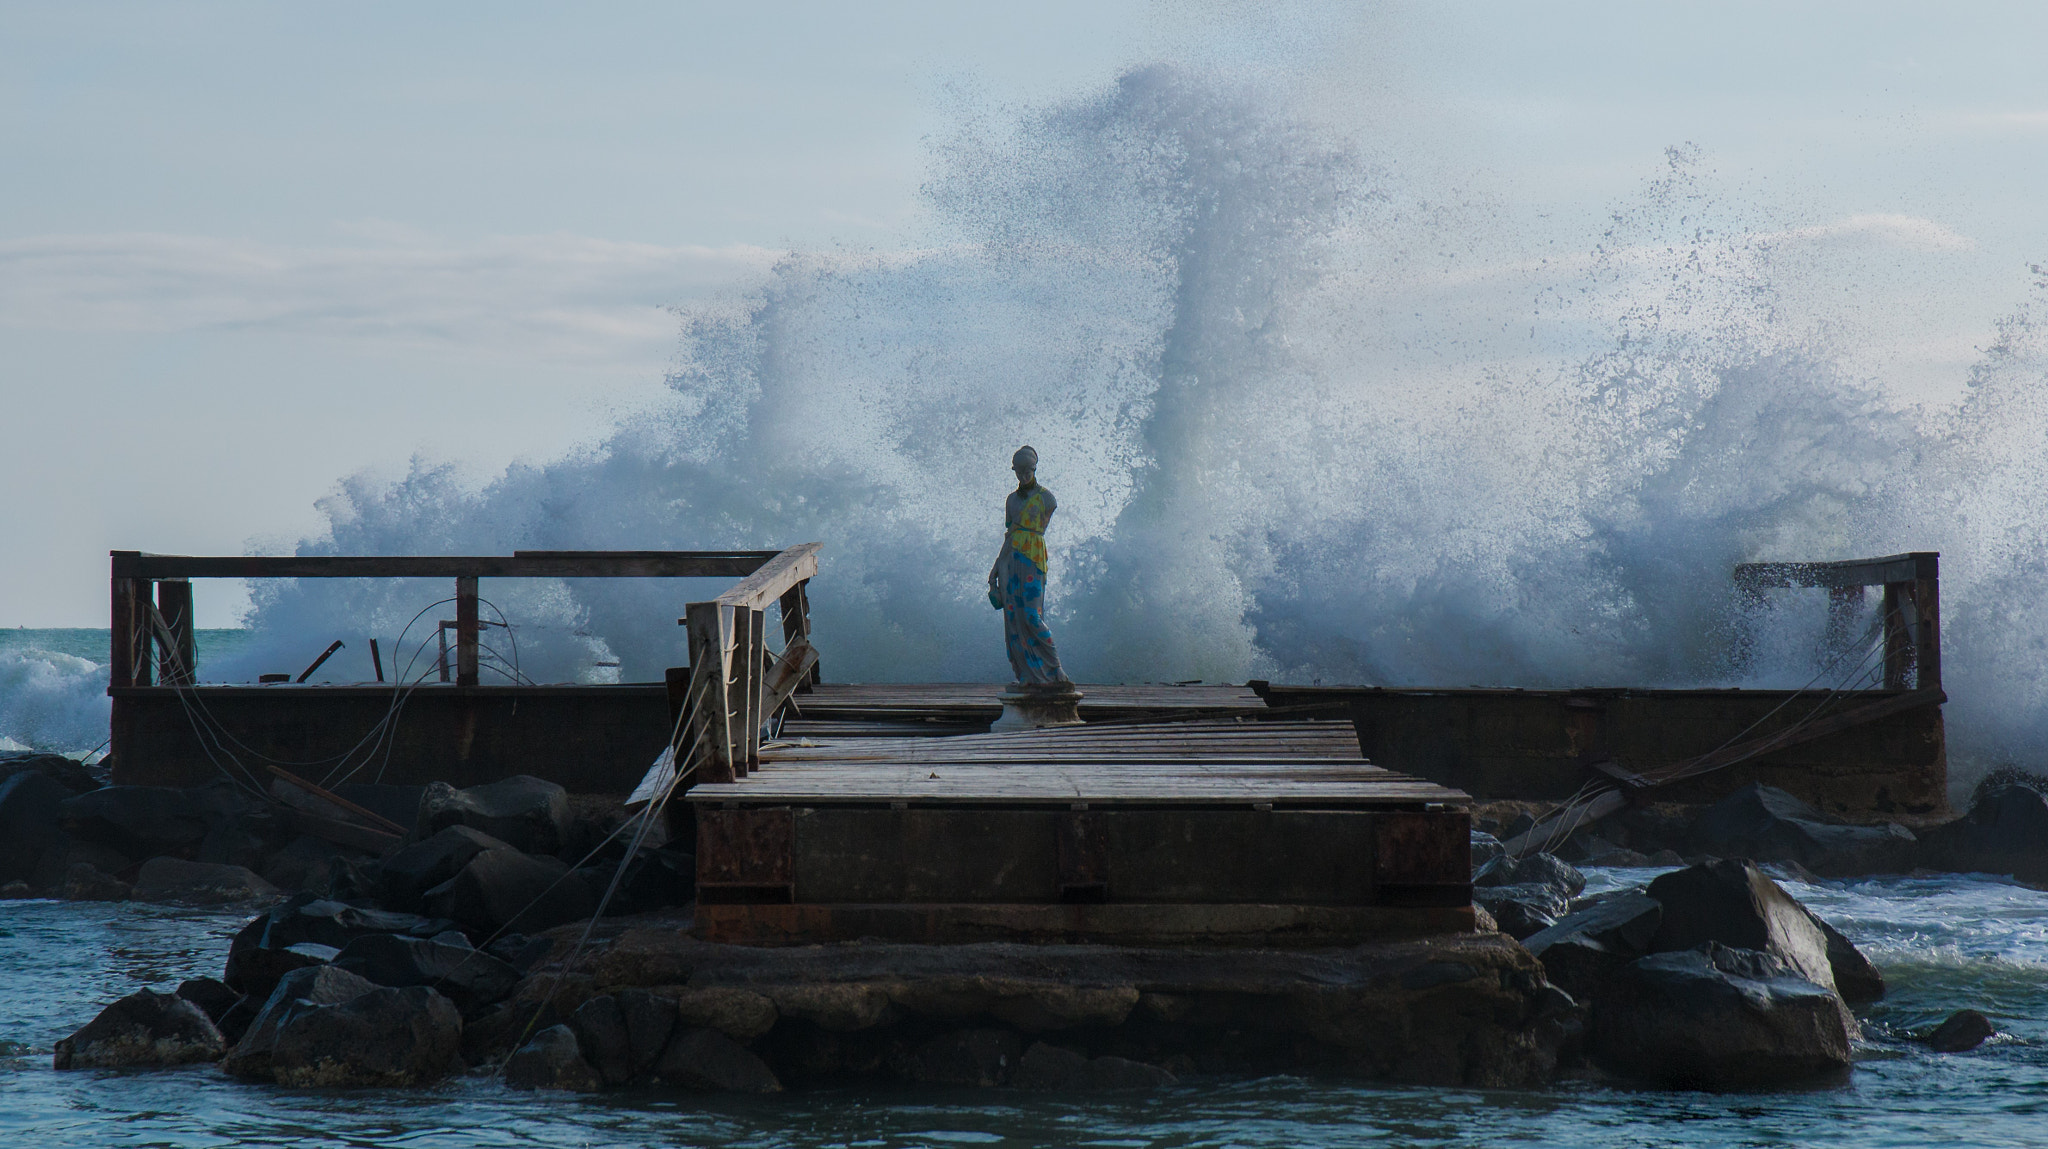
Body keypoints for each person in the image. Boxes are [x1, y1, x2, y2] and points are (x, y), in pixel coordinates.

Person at [987, 445, 1069, 685]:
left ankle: (1055, 670)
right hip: (1010, 560)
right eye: (1019, 471)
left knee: (1032, 615)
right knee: (1013, 619)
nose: (1024, 475)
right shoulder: (1011, 500)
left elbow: (1038, 529)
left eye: (1028, 470)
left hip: (1033, 558)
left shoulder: (1046, 498)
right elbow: (1010, 534)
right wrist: (994, 571)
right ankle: (1026, 676)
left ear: (1034, 469)